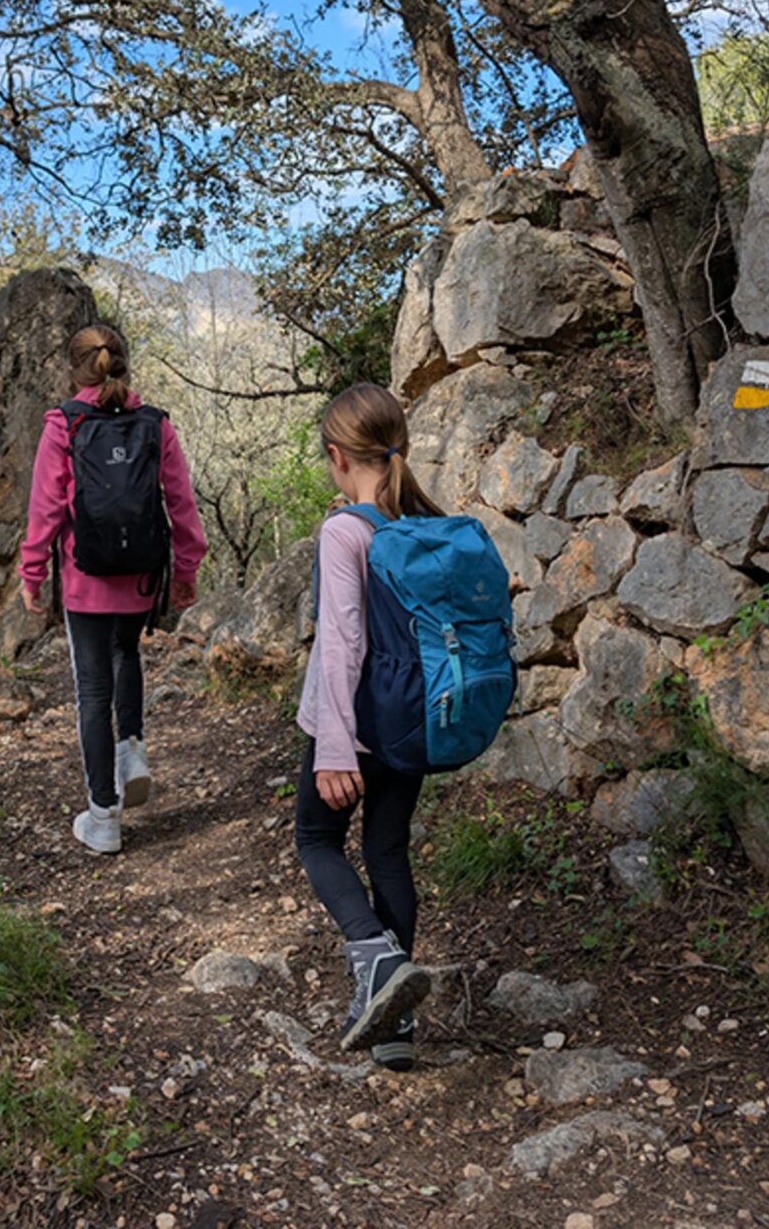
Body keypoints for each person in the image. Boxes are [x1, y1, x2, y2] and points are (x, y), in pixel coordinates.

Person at [19, 324, 207, 855]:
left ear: (73, 368)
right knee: (128, 652)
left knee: (92, 691)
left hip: (86, 576)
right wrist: (187, 568)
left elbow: (47, 507)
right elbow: (181, 502)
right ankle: (133, 752)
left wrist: (32, 572)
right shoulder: (155, 423)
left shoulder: (65, 424)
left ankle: (103, 817)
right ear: (123, 363)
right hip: (142, 572)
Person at [295, 382, 438, 1068]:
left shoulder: (343, 530)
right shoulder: (419, 527)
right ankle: (395, 1027)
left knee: (317, 839)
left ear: (337, 455)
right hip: (410, 722)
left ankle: (375, 960)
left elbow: (342, 640)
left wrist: (332, 744)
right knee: (387, 852)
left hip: (353, 721)